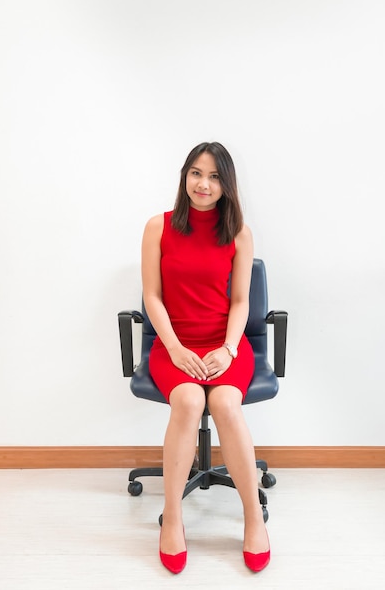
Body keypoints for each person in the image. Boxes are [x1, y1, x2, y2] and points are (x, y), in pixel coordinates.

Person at [141, 141, 270, 574]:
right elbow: (152, 297)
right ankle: (172, 520)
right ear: (184, 177)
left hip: (224, 343)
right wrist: (176, 348)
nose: (204, 183)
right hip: (173, 343)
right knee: (190, 400)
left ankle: (254, 519)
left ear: (226, 185)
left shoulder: (239, 232)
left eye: (214, 176)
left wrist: (228, 348)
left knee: (224, 404)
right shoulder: (157, 228)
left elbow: (239, 302)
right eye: (196, 173)